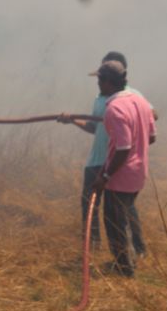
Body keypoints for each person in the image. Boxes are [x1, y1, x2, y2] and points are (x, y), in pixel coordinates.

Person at [59, 51, 153, 257]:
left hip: (116, 163)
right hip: (96, 160)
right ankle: (92, 246)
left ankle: (136, 249)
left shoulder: (132, 97)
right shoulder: (100, 100)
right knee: (90, 203)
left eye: (102, 77)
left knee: (124, 209)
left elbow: (151, 116)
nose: (99, 82)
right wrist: (72, 120)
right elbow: (94, 127)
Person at [90, 60, 156, 277]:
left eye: (100, 79)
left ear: (108, 82)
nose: (98, 84)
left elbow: (123, 148)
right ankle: (129, 259)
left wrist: (106, 175)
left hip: (120, 176)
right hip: (138, 173)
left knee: (114, 223)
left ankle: (124, 268)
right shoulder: (141, 102)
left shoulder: (114, 109)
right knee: (124, 217)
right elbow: (152, 136)